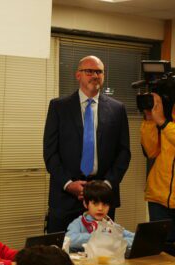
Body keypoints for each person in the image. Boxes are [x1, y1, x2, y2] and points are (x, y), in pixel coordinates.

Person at [43, 55, 131, 233]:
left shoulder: (117, 109)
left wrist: (106, 185)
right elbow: (50, 152)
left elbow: (124, 152)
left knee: (101, 252)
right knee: (62, 253)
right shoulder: (59, 107)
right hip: (65, 195)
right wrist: (68, 184)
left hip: (102, 198)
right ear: (78, 75)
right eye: (89, 71)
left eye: (99, 72)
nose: (95, 75)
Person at [141, 92, 175, 242]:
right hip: (158, 197)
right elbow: (151, 151)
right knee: (159, 251)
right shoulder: (169, 110)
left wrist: (162, 122)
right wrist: (150, 119)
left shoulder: (165, 121)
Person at [66, 180, 134, 252]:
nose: (100, 208)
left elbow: (135, 238)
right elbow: (70, 239)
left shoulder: (110, 224)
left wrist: (114, 241)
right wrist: (98, 237)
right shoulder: (78, 223)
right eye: (95, 203)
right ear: (85, 204)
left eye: (105, 204)